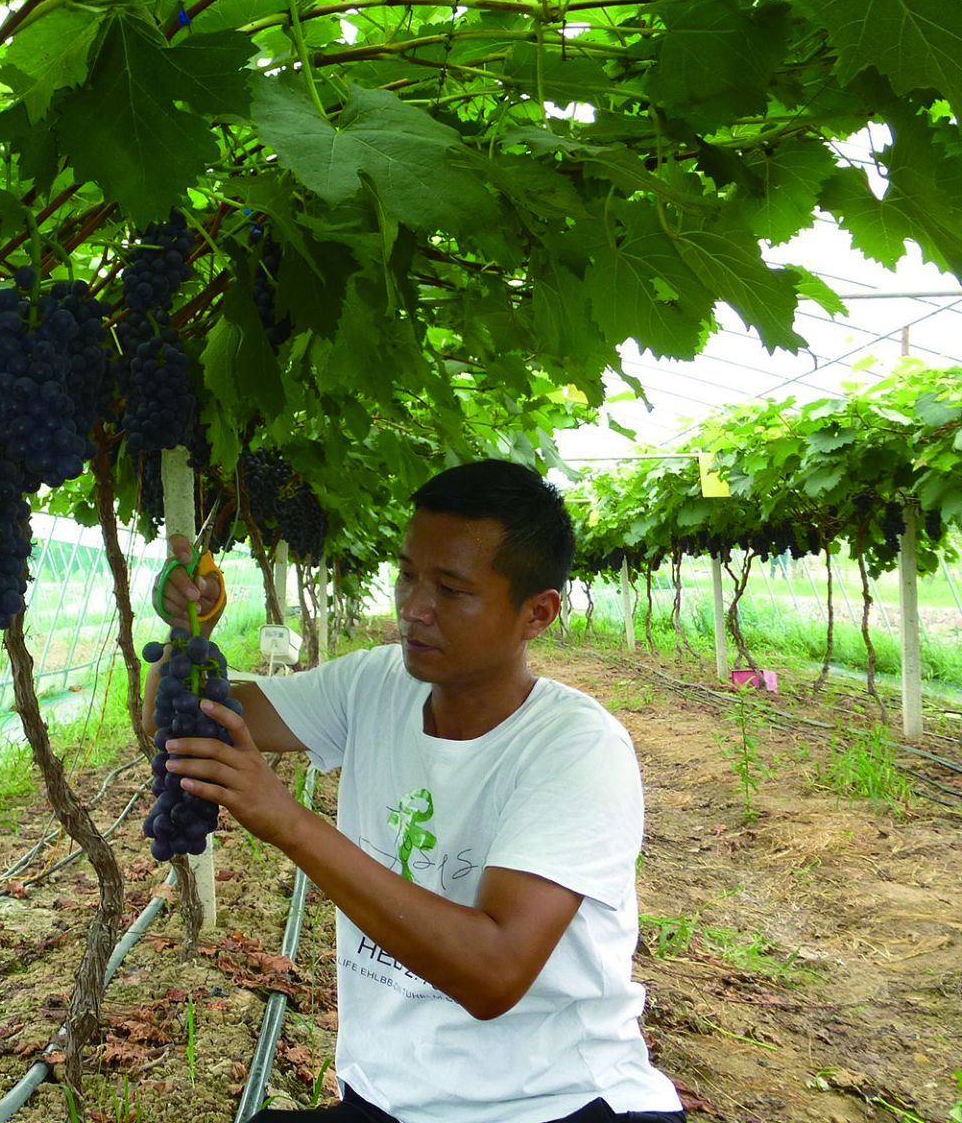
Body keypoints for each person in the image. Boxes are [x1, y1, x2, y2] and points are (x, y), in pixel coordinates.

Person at [149, 459, 685, 1123]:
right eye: (408, 575)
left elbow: (493, 974)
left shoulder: (576, 750)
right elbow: (174, 719)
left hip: (552, 1104)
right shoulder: (375, 686)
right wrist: (190, 633)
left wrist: (289, 821)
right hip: (390, 1098)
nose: (413, 607)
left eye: (452, 590)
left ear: (537, 614)